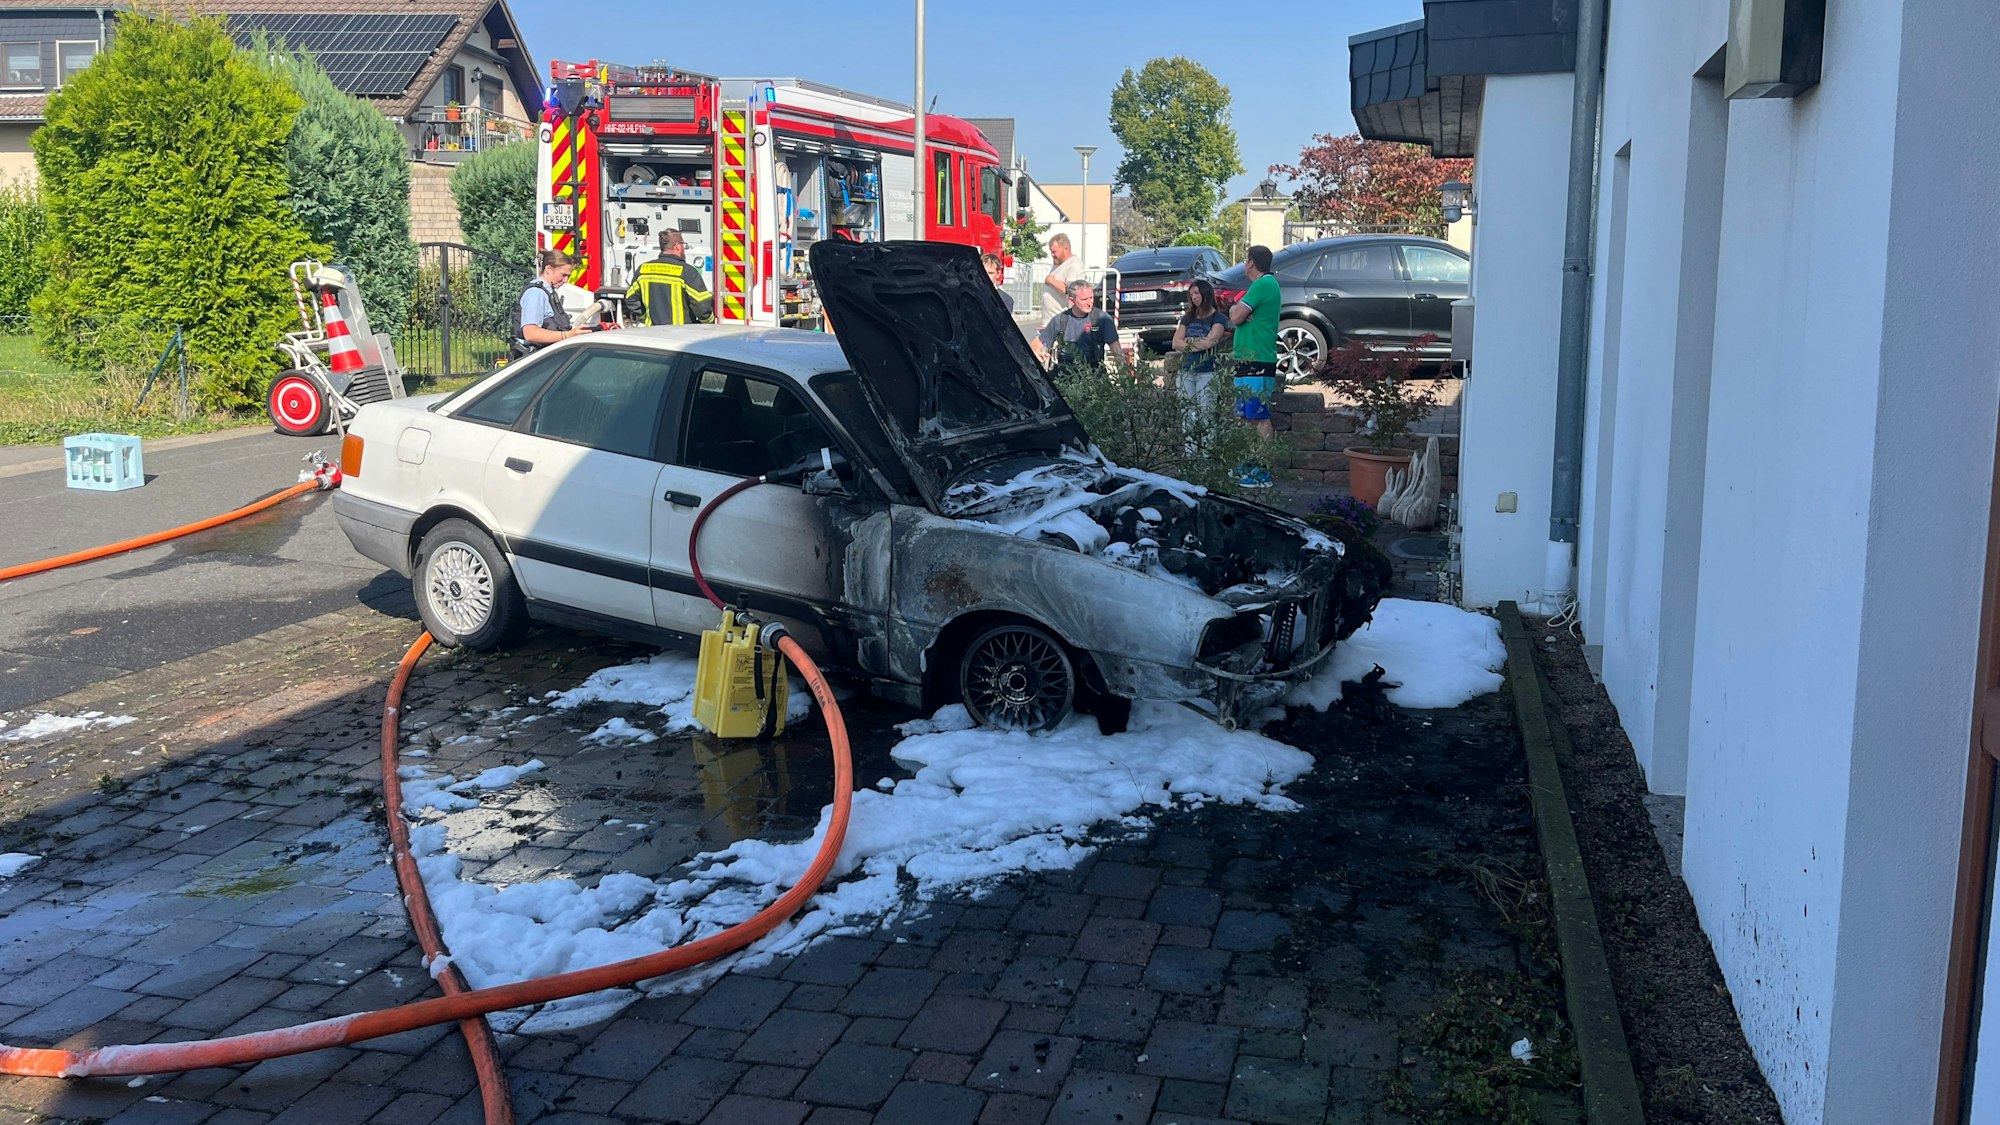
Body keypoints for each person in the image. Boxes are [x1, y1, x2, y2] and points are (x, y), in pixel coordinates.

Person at [1227, 244, 1282, 487]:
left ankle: (1262, 470)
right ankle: (1248, 465)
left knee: (1258, 417)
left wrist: (1236, 310)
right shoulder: (1259, 286)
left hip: (1258, 359)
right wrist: (1235, 309)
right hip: (1247, 360)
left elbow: (1236, 317)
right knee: (1245, 416)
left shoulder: (1264, 284)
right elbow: (1235, 313)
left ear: (1250, 262)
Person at [623, 229, 715, 326]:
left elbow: (630, 299)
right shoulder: (687, 272)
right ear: (678, 246)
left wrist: (645, 317)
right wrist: (710, 322)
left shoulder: (643, 269)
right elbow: (702, 306)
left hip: (653, 334)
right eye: (683, 245)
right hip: (680, 336)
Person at [1032, 281, 1127, 371]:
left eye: (1091, 298)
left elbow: (1117, 352)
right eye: (1084, 299)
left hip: (1094, 376)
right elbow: (1038, 343)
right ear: (1071, 300)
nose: (1089, 303)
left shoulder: (1102, 319)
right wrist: (1037, 350)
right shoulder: (1060, 320)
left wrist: (1124, 380)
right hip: (1065, 376)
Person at [514, 250, 588, 355]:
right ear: (548, 269)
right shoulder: (536, 293)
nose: (566, 280)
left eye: (568, 276)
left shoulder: (548, 292)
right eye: (563, 275)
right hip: (533, 359)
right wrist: (567, 335)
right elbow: (530, 333)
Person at [1171, 278, 1232, 404]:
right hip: (1186, 371)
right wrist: (1200, 341)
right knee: (1187, 413)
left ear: (1206, 293)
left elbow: (1211, 342)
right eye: (1191, 294)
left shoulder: (1218, 318)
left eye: (1197, 293)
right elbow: (1176, 342)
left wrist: (1188, 342)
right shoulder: (1188, 318)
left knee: (1206, 413)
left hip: (1207, 371)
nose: (1194, 297)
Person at [1040, 232, 1084, 318]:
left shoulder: (1074, 264)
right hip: (1051, 321)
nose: (1052, 255)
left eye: (1054, 252)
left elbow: (1070, 290)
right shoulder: (1059, 264)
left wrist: (1051, 281)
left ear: (1066, 249)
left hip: (1061, 321)